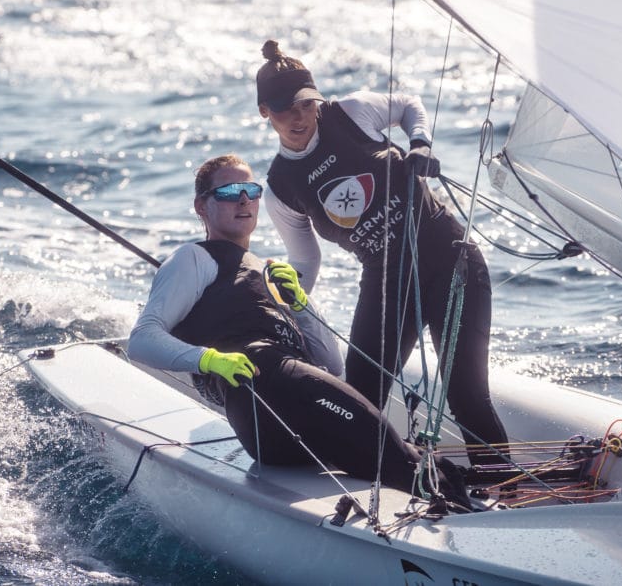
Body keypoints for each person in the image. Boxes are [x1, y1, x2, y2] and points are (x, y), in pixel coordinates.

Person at [127, 154, 469, 505]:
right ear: (202, 206)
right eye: (229, 192)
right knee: (388, 445)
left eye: (250, 190)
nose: (244, 200)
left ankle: (447, 503)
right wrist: (210, 360)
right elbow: (141, 339)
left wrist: (301, 304)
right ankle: (462, 521)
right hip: (264, 385)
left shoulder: (265, 270)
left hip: (279, 427)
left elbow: (331, 366)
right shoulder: (193, 258)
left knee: (407, 458)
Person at [255, 40, 507, 465]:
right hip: (387, 283)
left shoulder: (350, 113)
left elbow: (408, 104)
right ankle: (398, 477)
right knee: (360, 398)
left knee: (465, 395)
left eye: (305, 105)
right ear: (265, 113)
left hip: (451, 260)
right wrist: (286, 306)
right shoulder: (281, 187)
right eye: (284, 110)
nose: (299, 118)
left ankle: (506, 489)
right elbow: (306, 261)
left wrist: (420, 143)